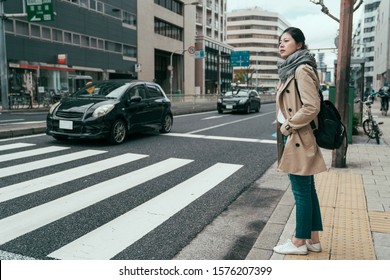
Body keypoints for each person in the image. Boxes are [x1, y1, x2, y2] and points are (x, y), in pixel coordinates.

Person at [273, 27, 327, 255]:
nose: (281, 45)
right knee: (308, 189)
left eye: (286, 40)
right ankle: (313, 239)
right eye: (279, 42)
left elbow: (312, 106)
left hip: (298, 136)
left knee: (301, 192)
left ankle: (298, 241)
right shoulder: (292, 68)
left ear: (300, 44)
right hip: (297, 135)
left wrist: (288, 126)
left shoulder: (301, 69)